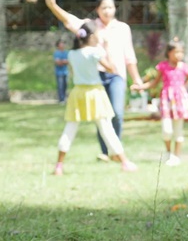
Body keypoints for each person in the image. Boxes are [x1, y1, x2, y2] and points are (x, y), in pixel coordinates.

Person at [44, 0, 143, 163]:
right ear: (97, 9)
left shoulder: (122, 28)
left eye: (110, 7)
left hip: (116, 75)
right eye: (103, 7)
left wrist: (136, 79)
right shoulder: (90, 26)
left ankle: (115, 151)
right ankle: (106, 152)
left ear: (115, 9)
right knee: (102, 115)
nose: (107, 11)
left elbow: (129, 56)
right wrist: (53, 6)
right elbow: (69, 20)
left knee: (117, 114)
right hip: (95, 76)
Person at [53, 21, 137, 175]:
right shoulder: (95, 52)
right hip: (95, 92)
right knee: (106, 128)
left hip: (78, 92)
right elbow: (111, 68)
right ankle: (124, 161)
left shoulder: (72, 54)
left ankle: (59, 165)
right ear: (91, 36)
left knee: (70, 128)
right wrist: (104, 50)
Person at [131, 39, 188, 166]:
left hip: (179, 101)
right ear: (169, 53)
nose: (179, 55)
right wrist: (141, 87)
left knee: (178, 130)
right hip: (167, 100)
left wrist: (181, 90)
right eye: (176, 52)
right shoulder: (163, 66)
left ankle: (177, 156)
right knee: (167, 130)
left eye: (181, 52)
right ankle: (168, 152)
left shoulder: (184, 67)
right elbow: (154, 83)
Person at [53, 39, 69, 103]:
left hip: (65, 71)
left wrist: (62, 61)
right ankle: (61, 99)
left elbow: (68, 61)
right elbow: (57, 62)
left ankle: (64, 98)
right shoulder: (56, 53)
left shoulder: (66, 52)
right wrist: (63, 61)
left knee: (65, 85)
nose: (62, 45)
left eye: (63, 43)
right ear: (58, 45)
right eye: (61, 43)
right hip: (59, 72)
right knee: (60, 86)